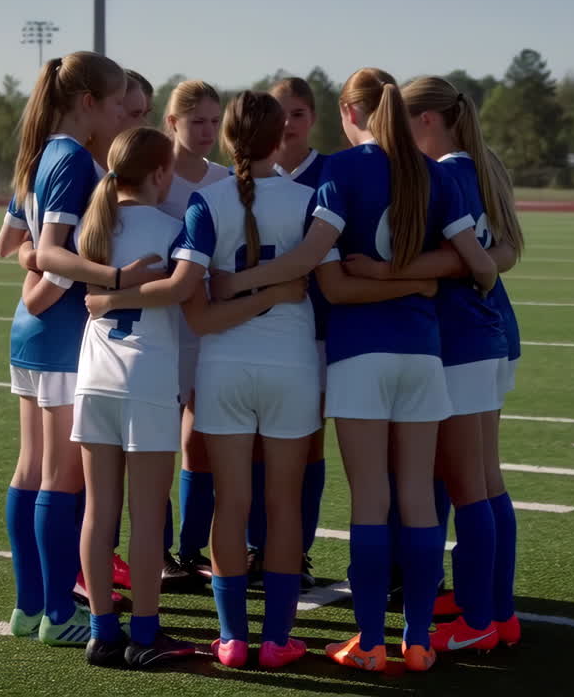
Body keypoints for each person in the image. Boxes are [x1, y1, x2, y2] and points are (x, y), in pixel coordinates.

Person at [211, 67, 496, 672]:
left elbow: (324, 274)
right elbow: (483, 267)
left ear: (351, 115)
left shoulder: (339, 171)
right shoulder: (433, 173)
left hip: (359, 354)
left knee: (371, 498)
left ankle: (368, 641)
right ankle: (416, 640)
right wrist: (414, 277)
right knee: (418, 498)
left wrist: (242, 281)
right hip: (422, 354)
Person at [346, 75, 523, 652]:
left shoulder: (448, 173)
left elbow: (462, 261)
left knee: (472, 486)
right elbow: (504, 252)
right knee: (483, 481)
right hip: (488, 335)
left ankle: (479, 621)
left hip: (462, 339)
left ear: (424, 120)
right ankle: (496, 609)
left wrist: (376, 272)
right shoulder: (482, 164)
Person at [171, 91, 318, 669]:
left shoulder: (205, 203)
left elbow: (200, 315)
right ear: (281, 134)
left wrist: (249, 291)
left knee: (229, 504)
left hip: (224, 367)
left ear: (228, 138)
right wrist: (277, 293)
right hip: (293, 367)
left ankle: (232, 639)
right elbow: (323, 286)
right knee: (282, 506)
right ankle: (278, 640)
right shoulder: (312, 199)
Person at [3, 49, 130, 647]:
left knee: (31, 470)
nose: (121, 116)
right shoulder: (74, 159)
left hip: (29, 338)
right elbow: (50, 251)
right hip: (56, 335)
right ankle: (58, 614)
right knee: (61, 478)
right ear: (89, 104)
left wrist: (34, 268)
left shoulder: (36, 154)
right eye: (116, 105)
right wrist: (61, 283)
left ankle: (29, 609)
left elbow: (9, 242)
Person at [73, 127, 200, 668]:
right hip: (146, 381)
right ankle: (145, 635)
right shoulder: (175, 227)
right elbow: (190, 297)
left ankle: (102, 633)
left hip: (94, 377)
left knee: (99, 513)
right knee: (147, 518)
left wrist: (109, 297)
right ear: (159, 174)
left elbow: (86, 296)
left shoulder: (94, 226)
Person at [244, 77, 330, 589]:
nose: (288, 124)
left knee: (309, 444)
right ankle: (258, 547)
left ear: (312, 118)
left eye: (297, 113)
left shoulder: (330, 174)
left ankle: (296, 548)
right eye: (279, 113)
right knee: (255, 442)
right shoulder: (246, 179)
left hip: (313, 329)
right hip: (253, 332)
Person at [154, 79, 230, 584]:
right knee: (157, 442)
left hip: (210, 329)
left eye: (213, 120)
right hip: (160, 327)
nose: (206, 131)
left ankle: (192, 549)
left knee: (201, 438)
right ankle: (158, 553)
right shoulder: (150, 180)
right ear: (172, 123)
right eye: (196, 120)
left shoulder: (226, 180)